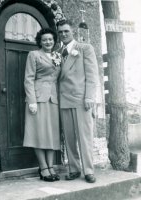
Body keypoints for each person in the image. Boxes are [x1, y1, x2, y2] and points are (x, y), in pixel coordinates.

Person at [57, 20, 99, 183]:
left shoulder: (85, 48)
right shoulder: (58, 51)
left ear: (72, 31)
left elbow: (92, 75)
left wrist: (89, 96)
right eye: (60, 32)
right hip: (64, 99)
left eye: (66, 31)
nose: (63, 34)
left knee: (84, 136)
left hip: (81, 99)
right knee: (69, 137)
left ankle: (88, 170)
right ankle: (74, 168)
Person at [23, 28, 61, 182]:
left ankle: (51, 166)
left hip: (53, 99)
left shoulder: (57, 56)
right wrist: (31, 100)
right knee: (38, 133)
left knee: (51, 133)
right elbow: (28, 78)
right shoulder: (34, 55)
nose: (48, 42)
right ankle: (43, 167)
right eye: (44, 39)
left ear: (54, 41)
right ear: (40, 41)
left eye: (50, 39)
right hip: (37, 100)